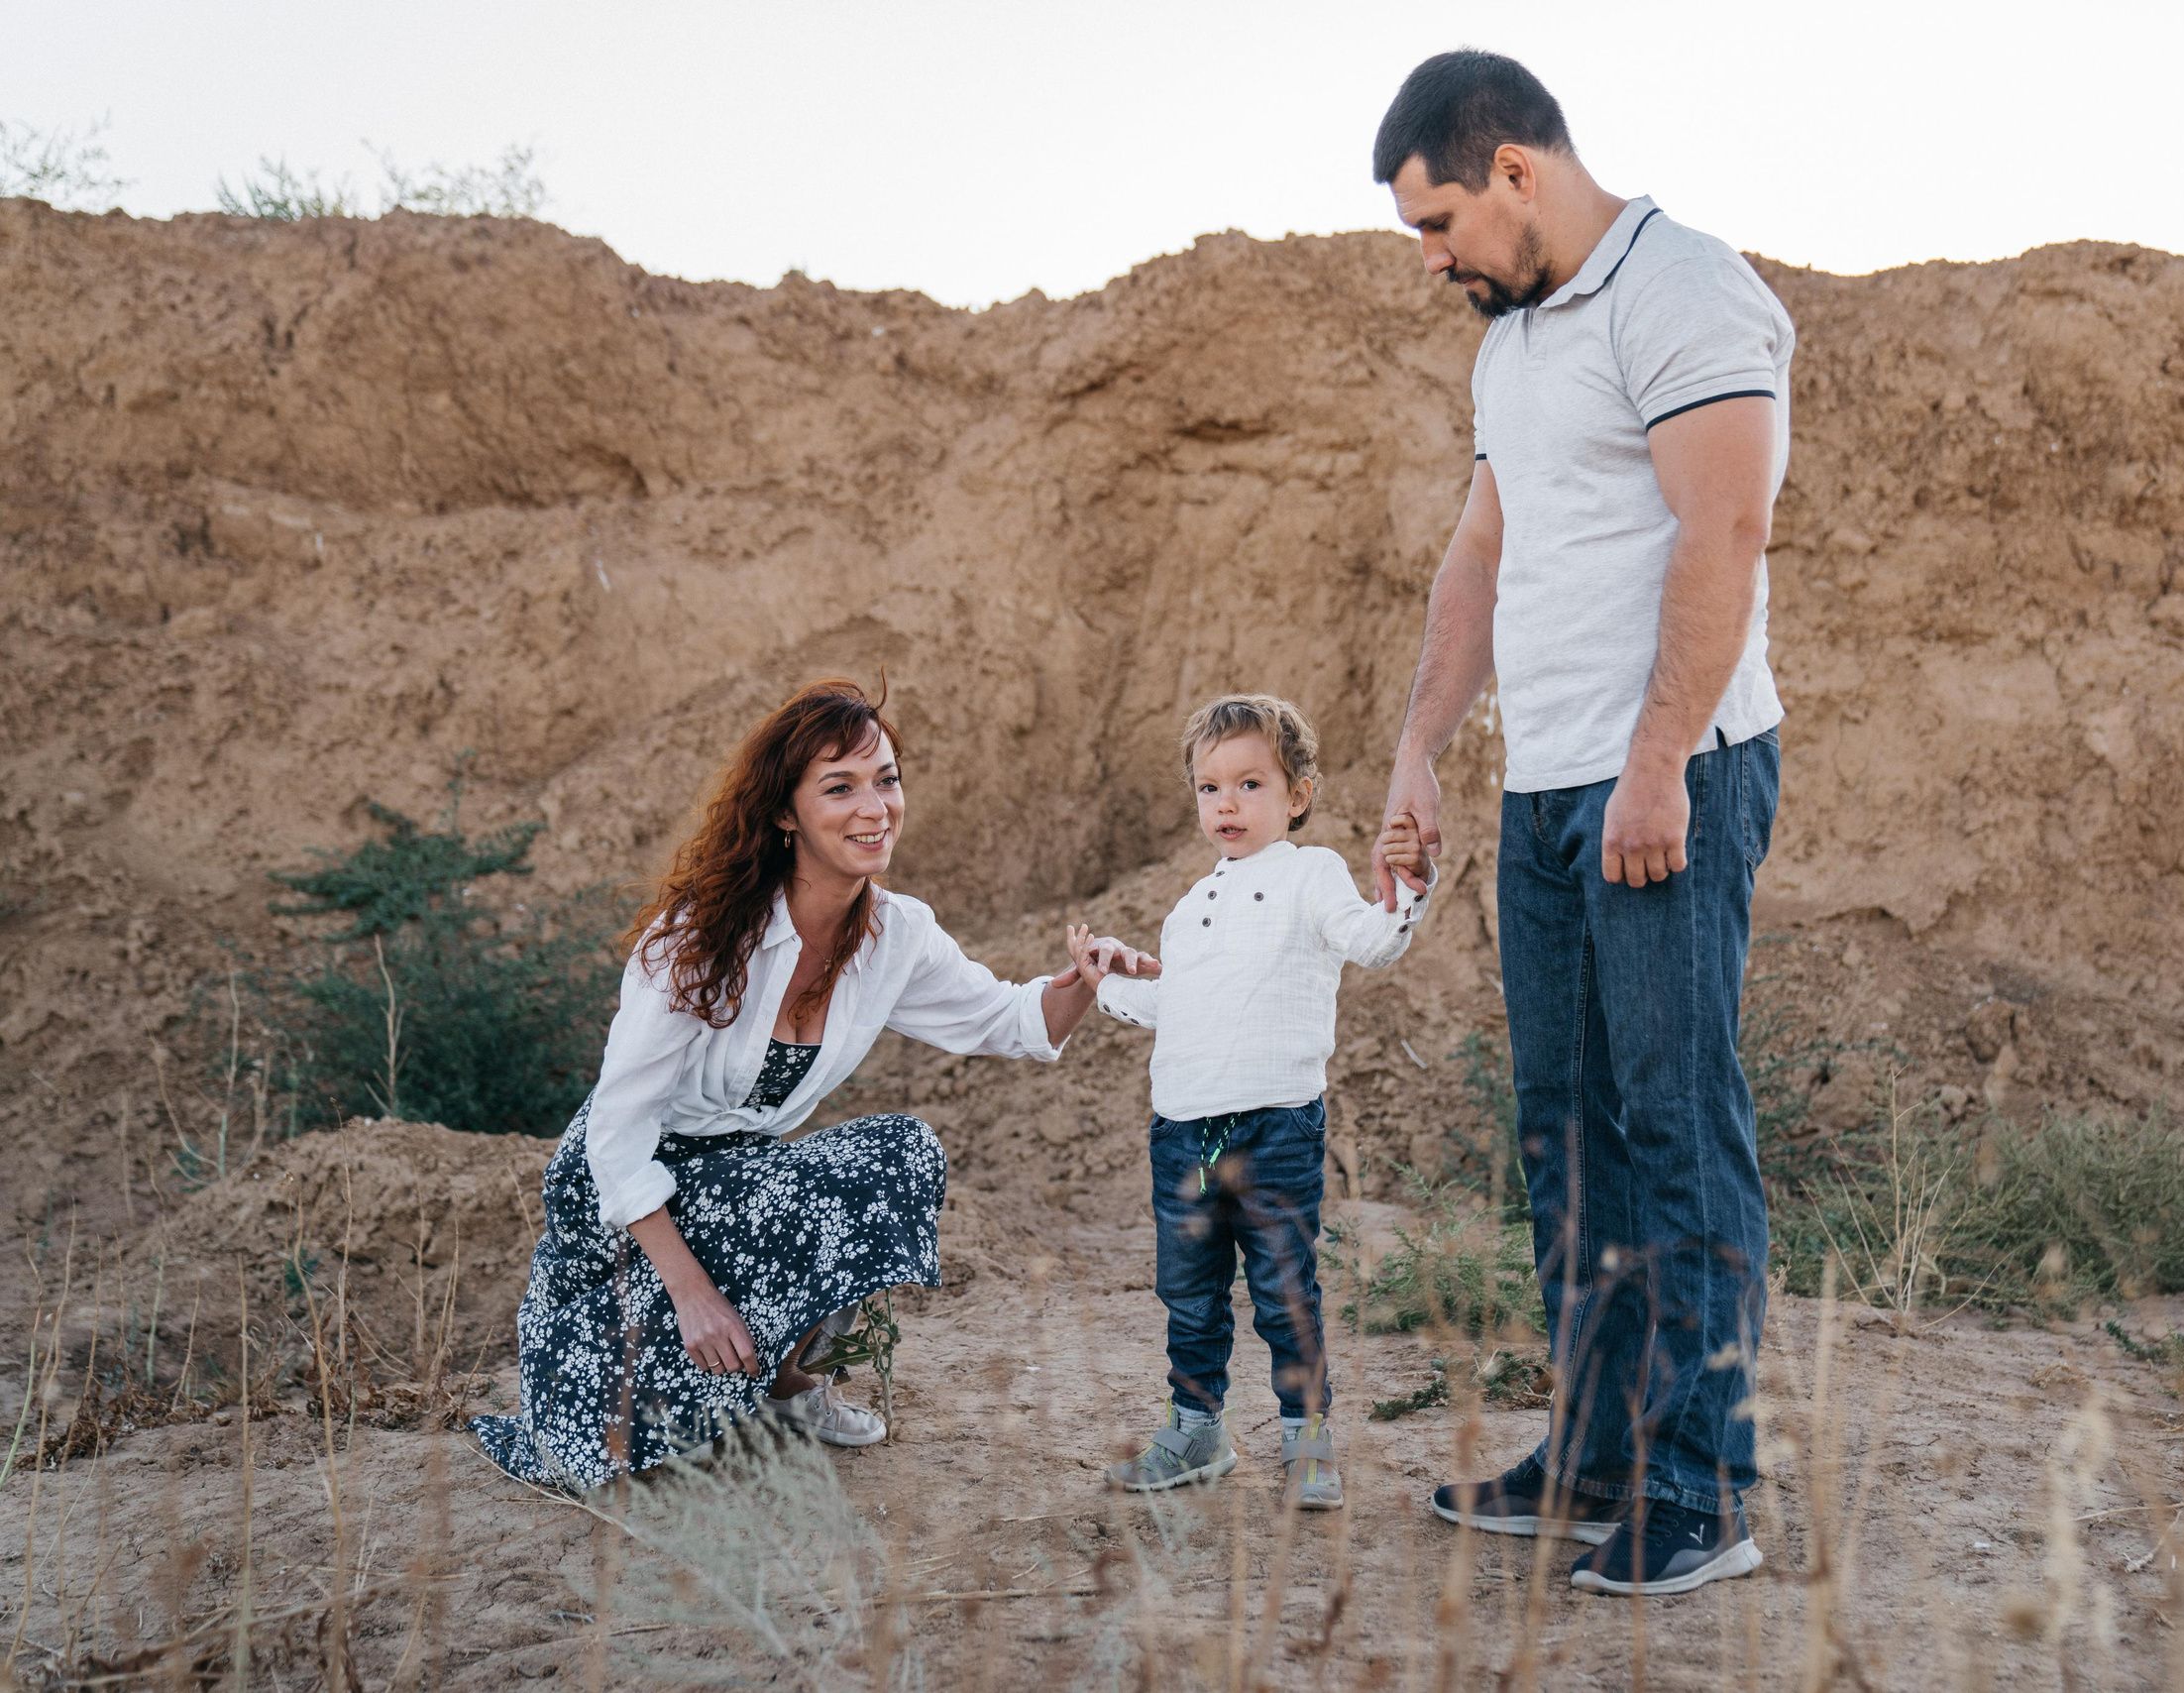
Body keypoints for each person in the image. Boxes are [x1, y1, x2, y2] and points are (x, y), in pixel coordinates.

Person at [1369, 51, 1796, 1597]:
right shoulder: (1514, 346)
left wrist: (1658, 757)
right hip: (1544, 788)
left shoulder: (1686, 291)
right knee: (1567, 1131)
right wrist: (1422, 750)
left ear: (1517, 174)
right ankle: (1602, 1449)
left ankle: (1705, 1491)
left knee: (1677, 1123)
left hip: (1666, 779)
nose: (1433, 264)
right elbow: (1482, 554)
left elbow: (1726, 524)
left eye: (1439, 226)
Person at [473, 678, 1133, 1493]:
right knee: (609, 1455)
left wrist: (1087, 980)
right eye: (840, 787)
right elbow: (614, 1132)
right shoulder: (698, 941)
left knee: (898, 1155)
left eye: (886, 779)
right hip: (624, 1192)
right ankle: (700, 1360)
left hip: (735, 1180)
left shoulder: (896, 935)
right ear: (785, 814)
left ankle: (789, 1389)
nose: (875, 807)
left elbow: (1012, 1022)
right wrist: (693, 1295)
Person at [1089, 695, 1433, 1510]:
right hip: (1182, 1134)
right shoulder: (1185, 910)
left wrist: (1406, 882)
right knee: (1189, 1292)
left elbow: (1371, 940)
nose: (1228, 804)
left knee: (1284, 1288)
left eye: (1250, 783)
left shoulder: (1309, 875)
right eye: (1211, 789)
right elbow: (1174, 1006)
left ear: (1298, 795)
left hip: (1275, 1125)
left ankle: (1306, 1437)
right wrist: (1106, 978)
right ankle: (1198, 1431)